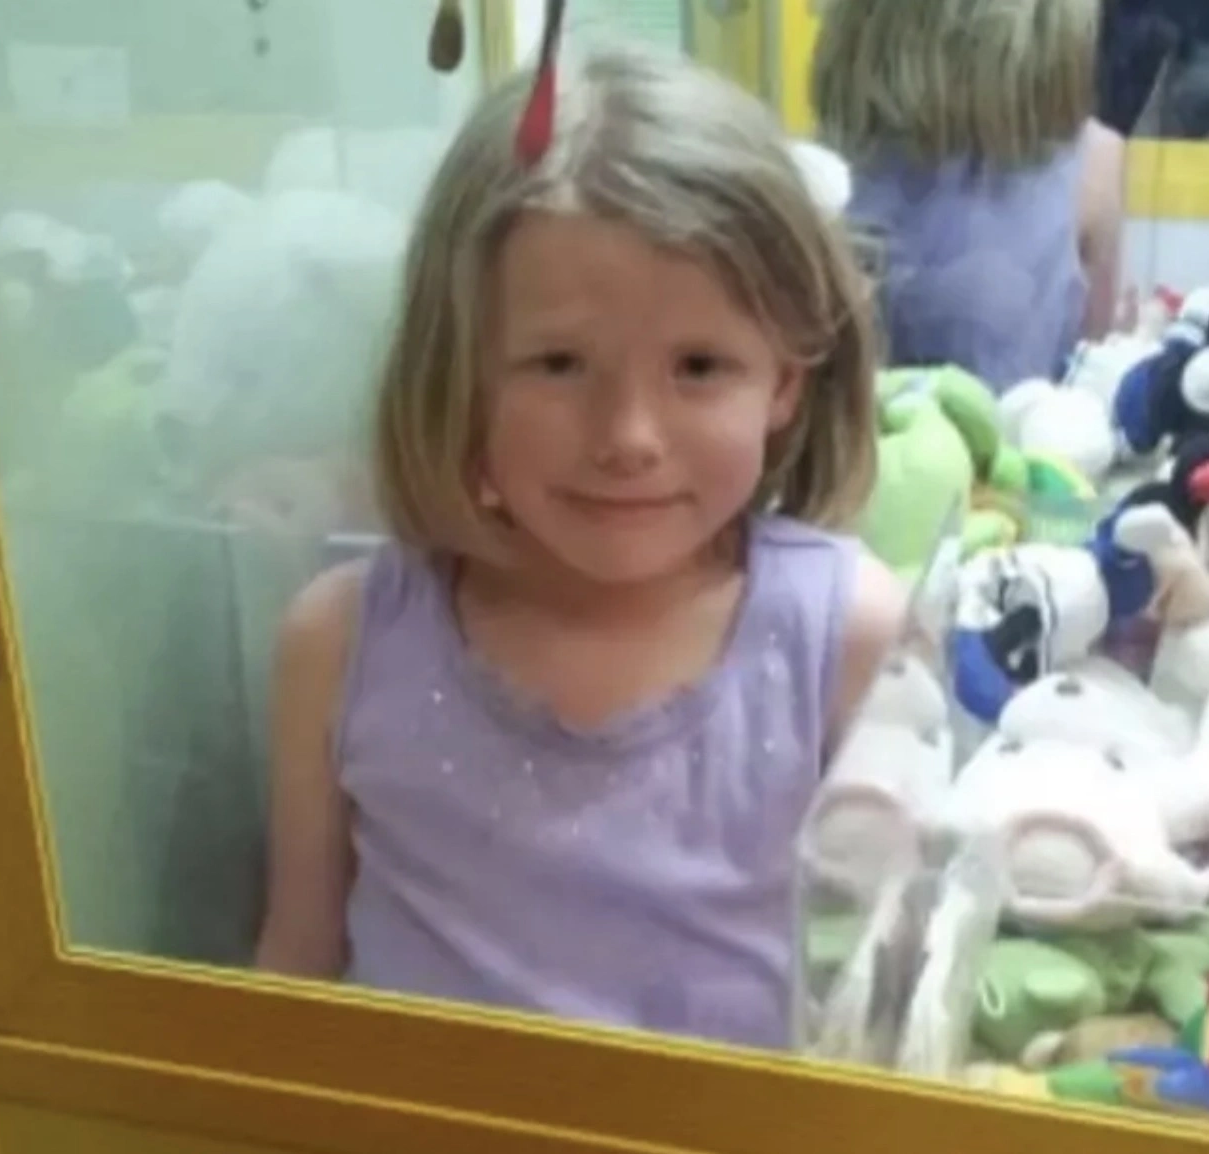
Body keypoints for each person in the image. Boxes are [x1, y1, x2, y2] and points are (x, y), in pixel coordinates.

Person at [253, 43, 908, 1051]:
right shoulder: (336, 645)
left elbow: (893, 1008)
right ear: (458, 370)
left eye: (699, 365)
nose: (628, 436)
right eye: (558, 363)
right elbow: (292, 978)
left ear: (785, 378)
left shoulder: (848, 638)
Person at [811, 0, 1127, 391]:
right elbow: (1089, 384)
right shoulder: (1092, 161)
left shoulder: (824, 173)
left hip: (868, 442)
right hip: (1019, 438)